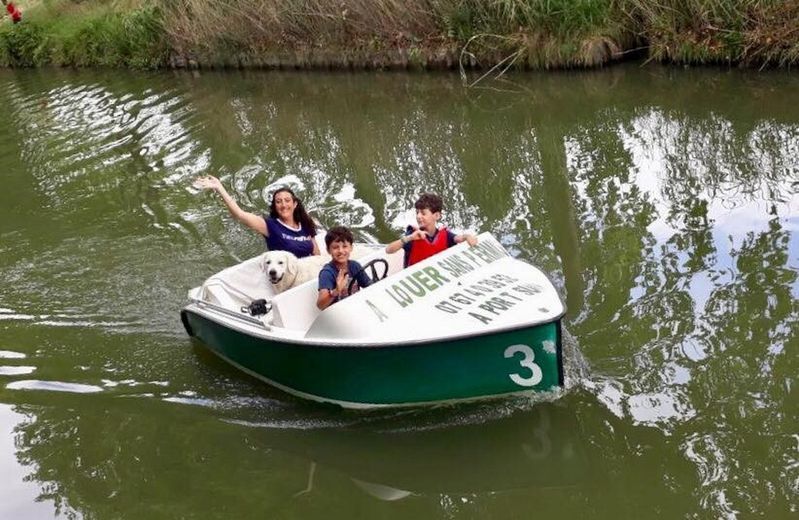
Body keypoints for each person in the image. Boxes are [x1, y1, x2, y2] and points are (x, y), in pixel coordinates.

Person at [195, 175, 320, 257]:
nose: (283, 205)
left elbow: (316, 255)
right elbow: (239, 214)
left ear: (295, 204)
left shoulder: (305, 224)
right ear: (275, 206)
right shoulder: (269, 225)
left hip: (307, 272)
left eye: (287, 200)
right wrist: (219, 187)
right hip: (287, 277)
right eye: (278, 201)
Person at [385, 193, 477, 267]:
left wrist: (468, 237)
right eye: (417, 213)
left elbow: (459, 238)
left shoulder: (445, 235)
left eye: (423, 213)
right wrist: (410, 238)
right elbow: (389, 250)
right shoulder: (413, 235)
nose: (418, 216)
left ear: (436, 216)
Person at [317, 226, 372, 310]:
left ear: (351, 248)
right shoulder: (327, 273)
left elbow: (369, 286)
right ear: (328, 250)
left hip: (357, 308)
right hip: (338, 314)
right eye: (335, 247)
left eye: (345, 246)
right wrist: (336, 291)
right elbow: (320, 305)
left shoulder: (355, 265)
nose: (341, 251)